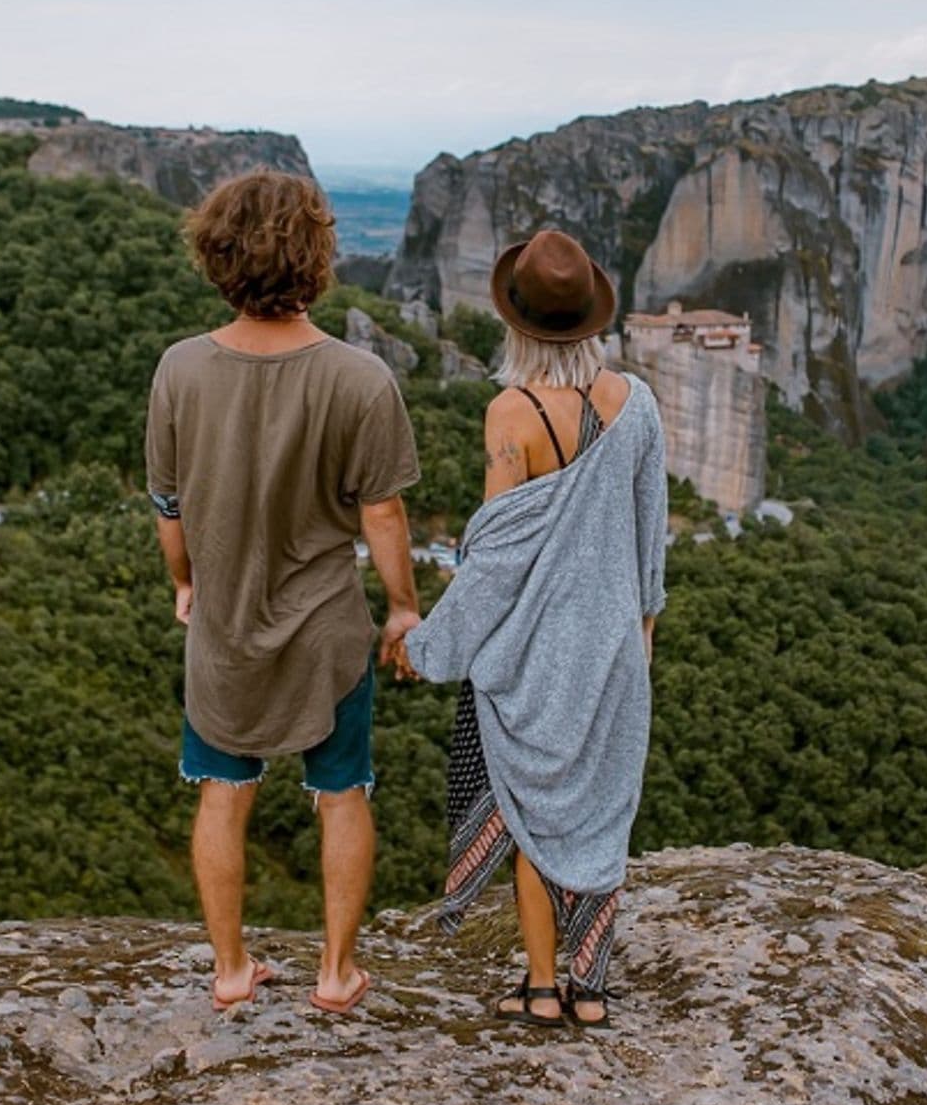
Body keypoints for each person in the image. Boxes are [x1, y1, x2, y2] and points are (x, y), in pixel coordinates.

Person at [146, 170, 422, 1017]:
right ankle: (336, 975)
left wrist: (186, 583)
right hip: (326, 631)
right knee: (342, 795)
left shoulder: (181, 370)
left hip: (223, 627)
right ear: (317, 256)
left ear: (217, 253)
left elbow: (169, 507)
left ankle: (231, 970)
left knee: (222, 794)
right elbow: (381, 511)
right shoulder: (360, 378)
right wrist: (405, 605)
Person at [401, 229, 669, 1029]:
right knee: (599, 810)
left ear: (517, 323)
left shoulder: (510, 414)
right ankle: (592, 989)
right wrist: (642, 636)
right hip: (616, 647)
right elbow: (650, 538)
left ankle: (544, 986)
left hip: (533, 654)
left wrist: (428, 647)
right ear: (592, 319)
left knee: (528, 815)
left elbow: (494, 562)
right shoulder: (638, 404)